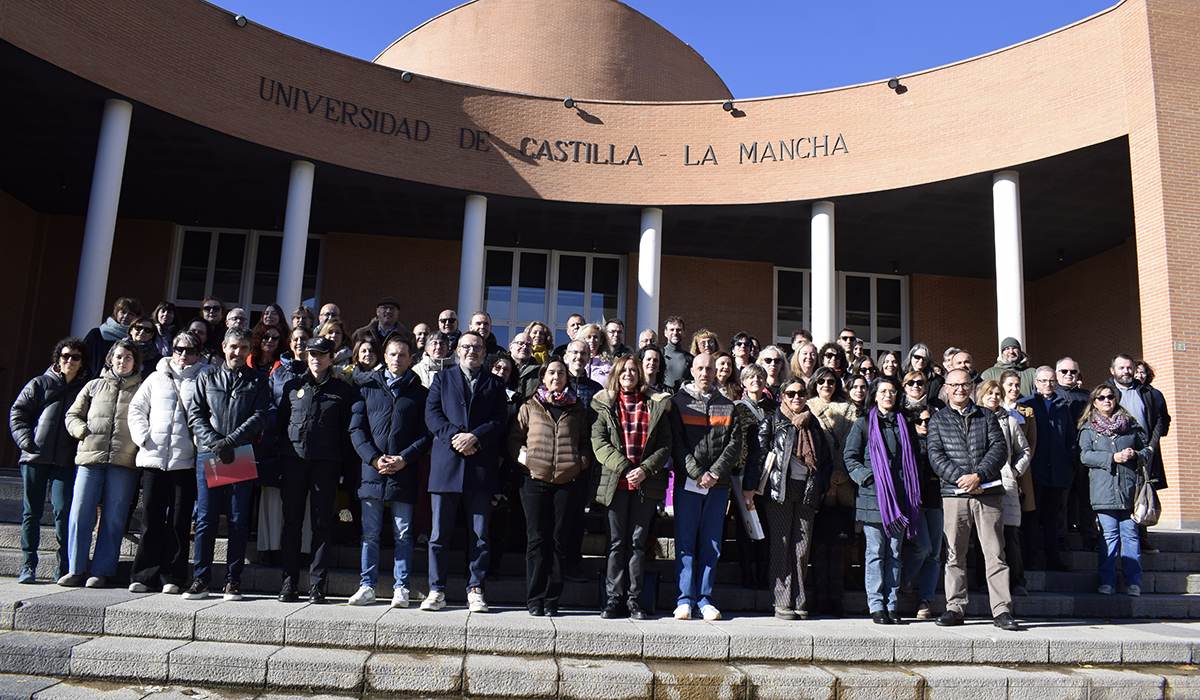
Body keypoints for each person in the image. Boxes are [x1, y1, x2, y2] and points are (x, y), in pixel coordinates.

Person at [421, 331, 508, 612]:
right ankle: (436, 590)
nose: (472, 351)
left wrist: (475, 438)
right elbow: (432, 415)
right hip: (447, 466)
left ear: (484, 352)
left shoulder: (495, 383)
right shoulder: (441, 379)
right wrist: (457, 438)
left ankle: (475, 588)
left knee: (480, 535)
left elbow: (498, 420)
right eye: (466, 347)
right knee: (438, 536)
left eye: (477, 347)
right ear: (457, 351)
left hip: (480, 466)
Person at [928, 368, 1019, 631]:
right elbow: (936, 456)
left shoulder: (988, 416)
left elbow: (1000, 449)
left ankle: (1002, 610)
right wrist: (963, 480)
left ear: (972, 387)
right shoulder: (938, 420)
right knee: (955, 553)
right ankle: (955, 607)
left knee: (995, 553)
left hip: (988, 493)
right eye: (954, 385)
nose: (959, 389)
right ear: (945, 388)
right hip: (954, 495)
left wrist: (978, 476)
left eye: (964, 384)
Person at [276, 336, 365, 603]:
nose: (316, 358)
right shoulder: (293, 387)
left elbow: (346, 434)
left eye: (322, 354)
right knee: (291, 523)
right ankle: (289, 583)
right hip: (294, 463)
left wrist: (338, 462)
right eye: (312, 354)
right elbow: (280, 425)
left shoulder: (343, 391)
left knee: (321, 525)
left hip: (325, 465)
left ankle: (317, 585)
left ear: (330, 358)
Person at [183, 327, 270, 601]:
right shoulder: (207, 376)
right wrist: (216, 443)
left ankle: (234, 580)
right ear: (224, 346)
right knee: (206, 519)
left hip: (241, 453)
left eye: (244, 348)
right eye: (234, 346)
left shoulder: (258, 380)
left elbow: (260, 416)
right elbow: (195, 415)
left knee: (237, 520)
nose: (238, 352)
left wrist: (230, 442)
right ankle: (200, 579)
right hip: (210, 453)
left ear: (249, 351)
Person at [348, 332, 431, 607]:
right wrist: (373, 459)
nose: (397, 359)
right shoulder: (367, 388)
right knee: (369, 534)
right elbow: (356, 429)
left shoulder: (420, 394)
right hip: (372, 472)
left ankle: (401, 588)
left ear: (411, 359)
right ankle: (367, 585)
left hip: (403, 472)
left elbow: (425, 434)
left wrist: (404, 459)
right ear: (385, 357)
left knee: (404, 535)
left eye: (403, 355)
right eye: (393, 354)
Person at [127, 329, 210, 594]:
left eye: (190, 350)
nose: (183, 355)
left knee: (179, 521)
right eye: (178, 349)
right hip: (153, 458)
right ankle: (143, 574)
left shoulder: (205, 378)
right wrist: (144, 437)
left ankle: (173, 577)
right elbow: (137, 409)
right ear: (171, 350)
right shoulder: (155, 377)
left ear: (198, 353)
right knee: (150, 518)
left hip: (185, 461)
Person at [506, 358, 590, 616]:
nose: (556, 377)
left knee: (559, 540)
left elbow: (586, 442)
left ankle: (552, 600)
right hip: (534, 481)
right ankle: (534, 599)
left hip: (567, 483)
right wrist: (526, 460)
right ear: (543, 377)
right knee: (536, 540)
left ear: (567, 378)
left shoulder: (577, 408)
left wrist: (580, 463)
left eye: (561, 373)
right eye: (551, 372)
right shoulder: (529, 406)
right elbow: (514, 438)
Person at [592, 355, 672, 620]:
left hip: (645, 485)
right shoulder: (604, 404)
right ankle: (614, 599)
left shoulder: (655, 405)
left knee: (638, 542)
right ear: (616, 373)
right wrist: (627, 469)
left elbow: (664, 444)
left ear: (640, 374)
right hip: (616, 484)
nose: (628, 374)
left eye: (633, 370)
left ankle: (634, 599)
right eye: (623, 370)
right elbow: (599, 443)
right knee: (616, 543)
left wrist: (644, 470)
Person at [59, 339, 144, 588]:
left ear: (135, 362)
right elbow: (72, 415)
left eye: (128, 357)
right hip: (90, 458)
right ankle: (76, 569)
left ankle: (101, 570)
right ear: (110, 359)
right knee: (80, 513)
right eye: (118, 356)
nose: (123, 361)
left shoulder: (142, 389)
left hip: (124, 461)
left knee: (114, 517)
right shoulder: (94, 386)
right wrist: (82, 431)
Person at [745, 376, 832, 620]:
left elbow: (825, 461)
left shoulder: (814, 425)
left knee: (801, 550)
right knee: (782, 546)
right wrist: (749, 488)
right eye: (791, 393)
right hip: (779, 492)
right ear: (782, 396)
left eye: (801, 393)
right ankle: (781, 601)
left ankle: (799, 599)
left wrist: (822, 488)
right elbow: (758, 456)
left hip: (806, 492)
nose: (797, 398)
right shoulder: (772, 422)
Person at [669, 352, 743, 621]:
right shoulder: (678, 403)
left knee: (711, 544)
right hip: (688, 483)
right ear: (692, 370)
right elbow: (676, 443)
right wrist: (698, 472)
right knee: (686, 542)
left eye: (709, 368)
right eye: (700, 368)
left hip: (718, 486)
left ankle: (705, 599)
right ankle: (685, 599)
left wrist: (713, 474)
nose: (704, 373)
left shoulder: (729, 405)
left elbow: (735, 445)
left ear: (716, 372)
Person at [9, 338, 89, 583]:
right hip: (35, 457)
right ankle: (28, 565)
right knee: (31, 512)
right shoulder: (40, 383)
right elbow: (18, 412)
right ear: (58, 358)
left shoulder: (85, 387)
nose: (70, 361)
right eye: (65, 356)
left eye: (75, 357)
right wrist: (26, 441)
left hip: (65, 461)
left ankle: (63, 565)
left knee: (63, 510)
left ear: (82, 361)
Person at [843, 375, 921, 625]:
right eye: (883, 391)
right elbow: (850, 457)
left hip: (901, 499)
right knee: (875, 553)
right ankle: (876, 605)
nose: (888, 395)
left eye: (892, 391)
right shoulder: (864, 423)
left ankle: (892, 604)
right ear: (874, 395)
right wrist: (868, 479)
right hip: (873, 499)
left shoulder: (904, 424)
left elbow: (915, 458)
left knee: (895, 553)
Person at [1079, 384, 1151, 596]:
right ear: (1094, 402)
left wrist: (1135, 455)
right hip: (1104, 491)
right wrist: (1111, 458)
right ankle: (1108, 581)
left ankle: (1133, 582)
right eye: (1101, 398)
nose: (1106, 400)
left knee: (1130, 535)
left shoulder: (1131, 425)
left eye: (1110, 397)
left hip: (1129, 490)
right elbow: (1085, 456)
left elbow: (1146, 450)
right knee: (1108, 536)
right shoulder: (1088, 428)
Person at [804, 366, 858, 617]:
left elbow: (851, 446)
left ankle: (836, 598)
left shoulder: (849, 410)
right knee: (816, 546)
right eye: (822, 381)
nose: (826, 385)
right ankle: (819, 597)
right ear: (814, 383)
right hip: (816, 482)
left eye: (831, 381)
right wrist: (826, 481)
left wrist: (838, 477)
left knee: (838, 545)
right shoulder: (807, 407)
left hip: (843, 482)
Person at [259, 324, 313, 566]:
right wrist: (280, 426)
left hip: (306, 446)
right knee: (272, 497)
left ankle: (302, 550)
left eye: (304, 339)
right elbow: (268, 403)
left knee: (305, 499)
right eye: (296, 339)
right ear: (290, 344)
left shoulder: (317, 371)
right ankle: (270, 548)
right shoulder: (277, 373)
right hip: (277, 442)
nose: (300, 343)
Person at [1107, 353, 1170, 554]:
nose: (1126, 371)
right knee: (1119, 494)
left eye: (1129, 367)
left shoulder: (1148, 392)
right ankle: (1117, 540)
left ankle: (1141, 537)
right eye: (1121, 368)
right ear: (1112, 371)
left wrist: (1151, 446)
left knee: (1142, 494)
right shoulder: (1107, 392)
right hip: (1117, 453)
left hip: (1144, 453)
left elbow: (1160, 420)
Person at [1019, 366, 1076, 571]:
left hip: (1057, 470)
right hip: (1034, 470)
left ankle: (1054, 557)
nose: (1048, 385)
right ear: (1036, 383)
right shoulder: (1026, 405)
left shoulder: (1063, 406)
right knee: (1032, 515)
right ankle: (1032, 558)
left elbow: (1070, 436)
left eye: (1051, 381)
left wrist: (1069, 457)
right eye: (1043, 381)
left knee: (1053, 516)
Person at [978, 379, 1032, 598]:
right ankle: (983, 581)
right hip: (980, 483)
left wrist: (1015, 471)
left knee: (1010, 534)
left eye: (997, 394)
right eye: (989, 393)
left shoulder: (1009, 421)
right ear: (981, 396)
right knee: (985, 534)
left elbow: (1024, 450)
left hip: (1006, 484)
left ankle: (1017, 581)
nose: (993, 397)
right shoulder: (973, 420)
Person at [83, 297, 142, 380]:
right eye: (123, 312)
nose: (126, 316)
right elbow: (82, 357)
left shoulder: (137, 339)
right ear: (116, 313)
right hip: (94, 382)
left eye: (131, 314)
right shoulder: (96, 334)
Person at [127, 315, 163, 380]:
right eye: (138, 328)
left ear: (151, 335)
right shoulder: (118, 350)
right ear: (131, 330)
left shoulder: (158, 360)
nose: (142, 332)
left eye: (147, 330)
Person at [661, 315, 692, 389]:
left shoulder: (690, 359)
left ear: (684, 333)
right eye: (671, 330)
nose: (675, 333)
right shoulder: (658, 355)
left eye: (678, 330)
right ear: (665, 333)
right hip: (661, 398)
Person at [508, 332, 542, 396]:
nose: (524, 347)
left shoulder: (540, 371)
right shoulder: (500, 368)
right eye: (520, 343)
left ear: (532, 350)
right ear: (511, 347)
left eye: (528, 345)